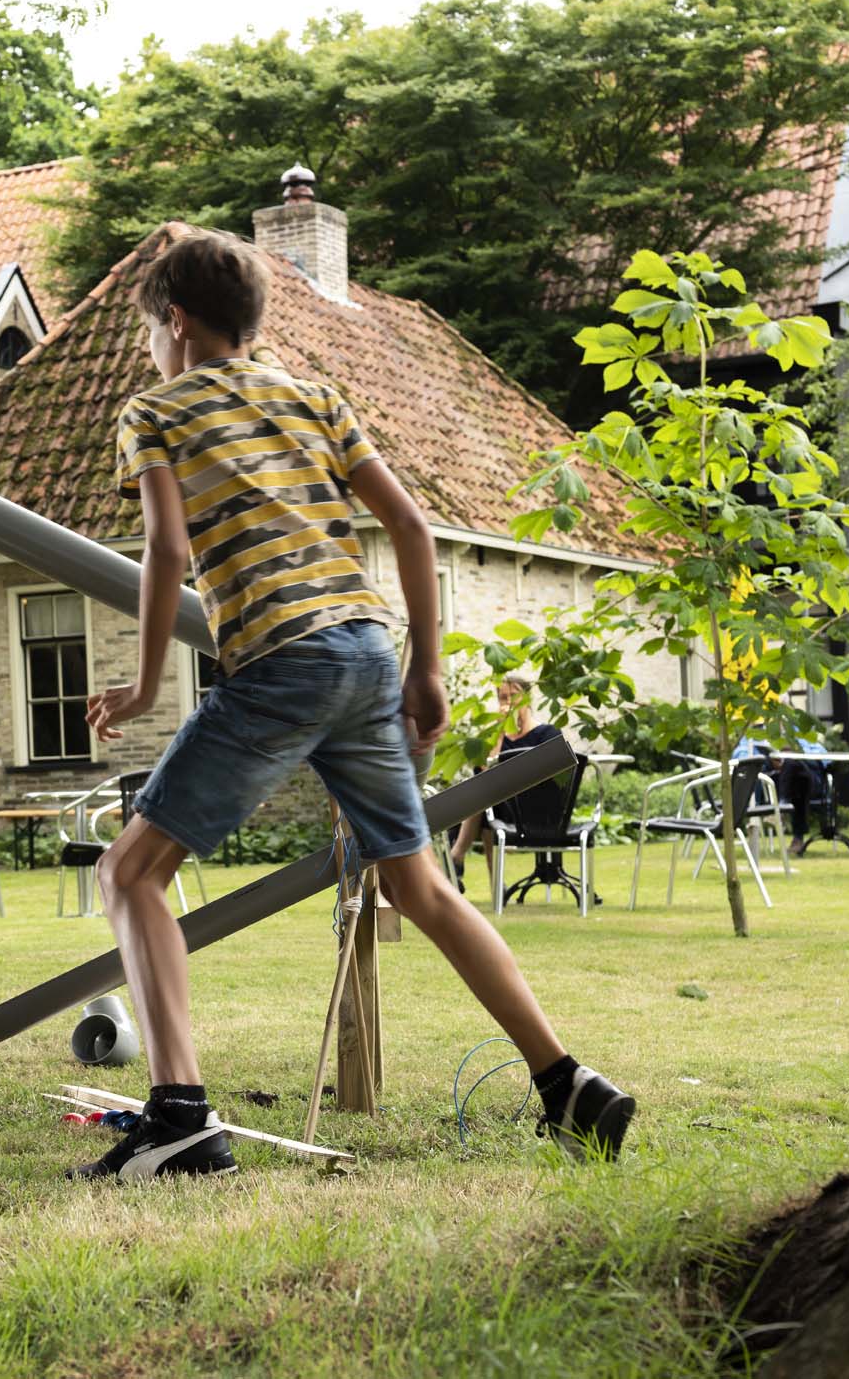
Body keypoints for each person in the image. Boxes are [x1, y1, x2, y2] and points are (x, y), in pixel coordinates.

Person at [77, 229, 634, 1180]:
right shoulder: (313, 394)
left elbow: (167, 551)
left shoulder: (155, 411)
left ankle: (178, 1115)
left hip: (283, 660)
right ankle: (567, 1082)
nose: (148, 352)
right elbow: (411, 524)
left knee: (129, 874)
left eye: (148, 334)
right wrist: (427, 668)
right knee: (419, 885)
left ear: (174, 321)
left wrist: (138, 682)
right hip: (369, 650)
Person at [447, 677, 562, 891]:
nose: (507, 702)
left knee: (483, 799)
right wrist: (500, 732)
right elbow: (483, 773)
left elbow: (554, 779)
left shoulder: (547, 734)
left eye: (513, 696)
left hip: (536, 811)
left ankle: (456, 856)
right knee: (486, 800)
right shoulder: (497, 737)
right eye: (502, 697)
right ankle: (495, 886)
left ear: (527, 698)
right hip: (498, 809)